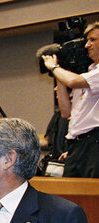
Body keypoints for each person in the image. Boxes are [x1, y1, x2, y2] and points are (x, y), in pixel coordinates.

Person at [42, 22, 99, 178]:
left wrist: (54, 67)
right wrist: (60, 74)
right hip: (77, 145)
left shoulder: (85, 78)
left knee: (92, 196)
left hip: (94, 144)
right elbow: (66, 112)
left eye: (92, 40)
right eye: (87, 40)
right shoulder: (87, 73)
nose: (87, 45)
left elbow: (73, 82)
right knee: (71, 196)